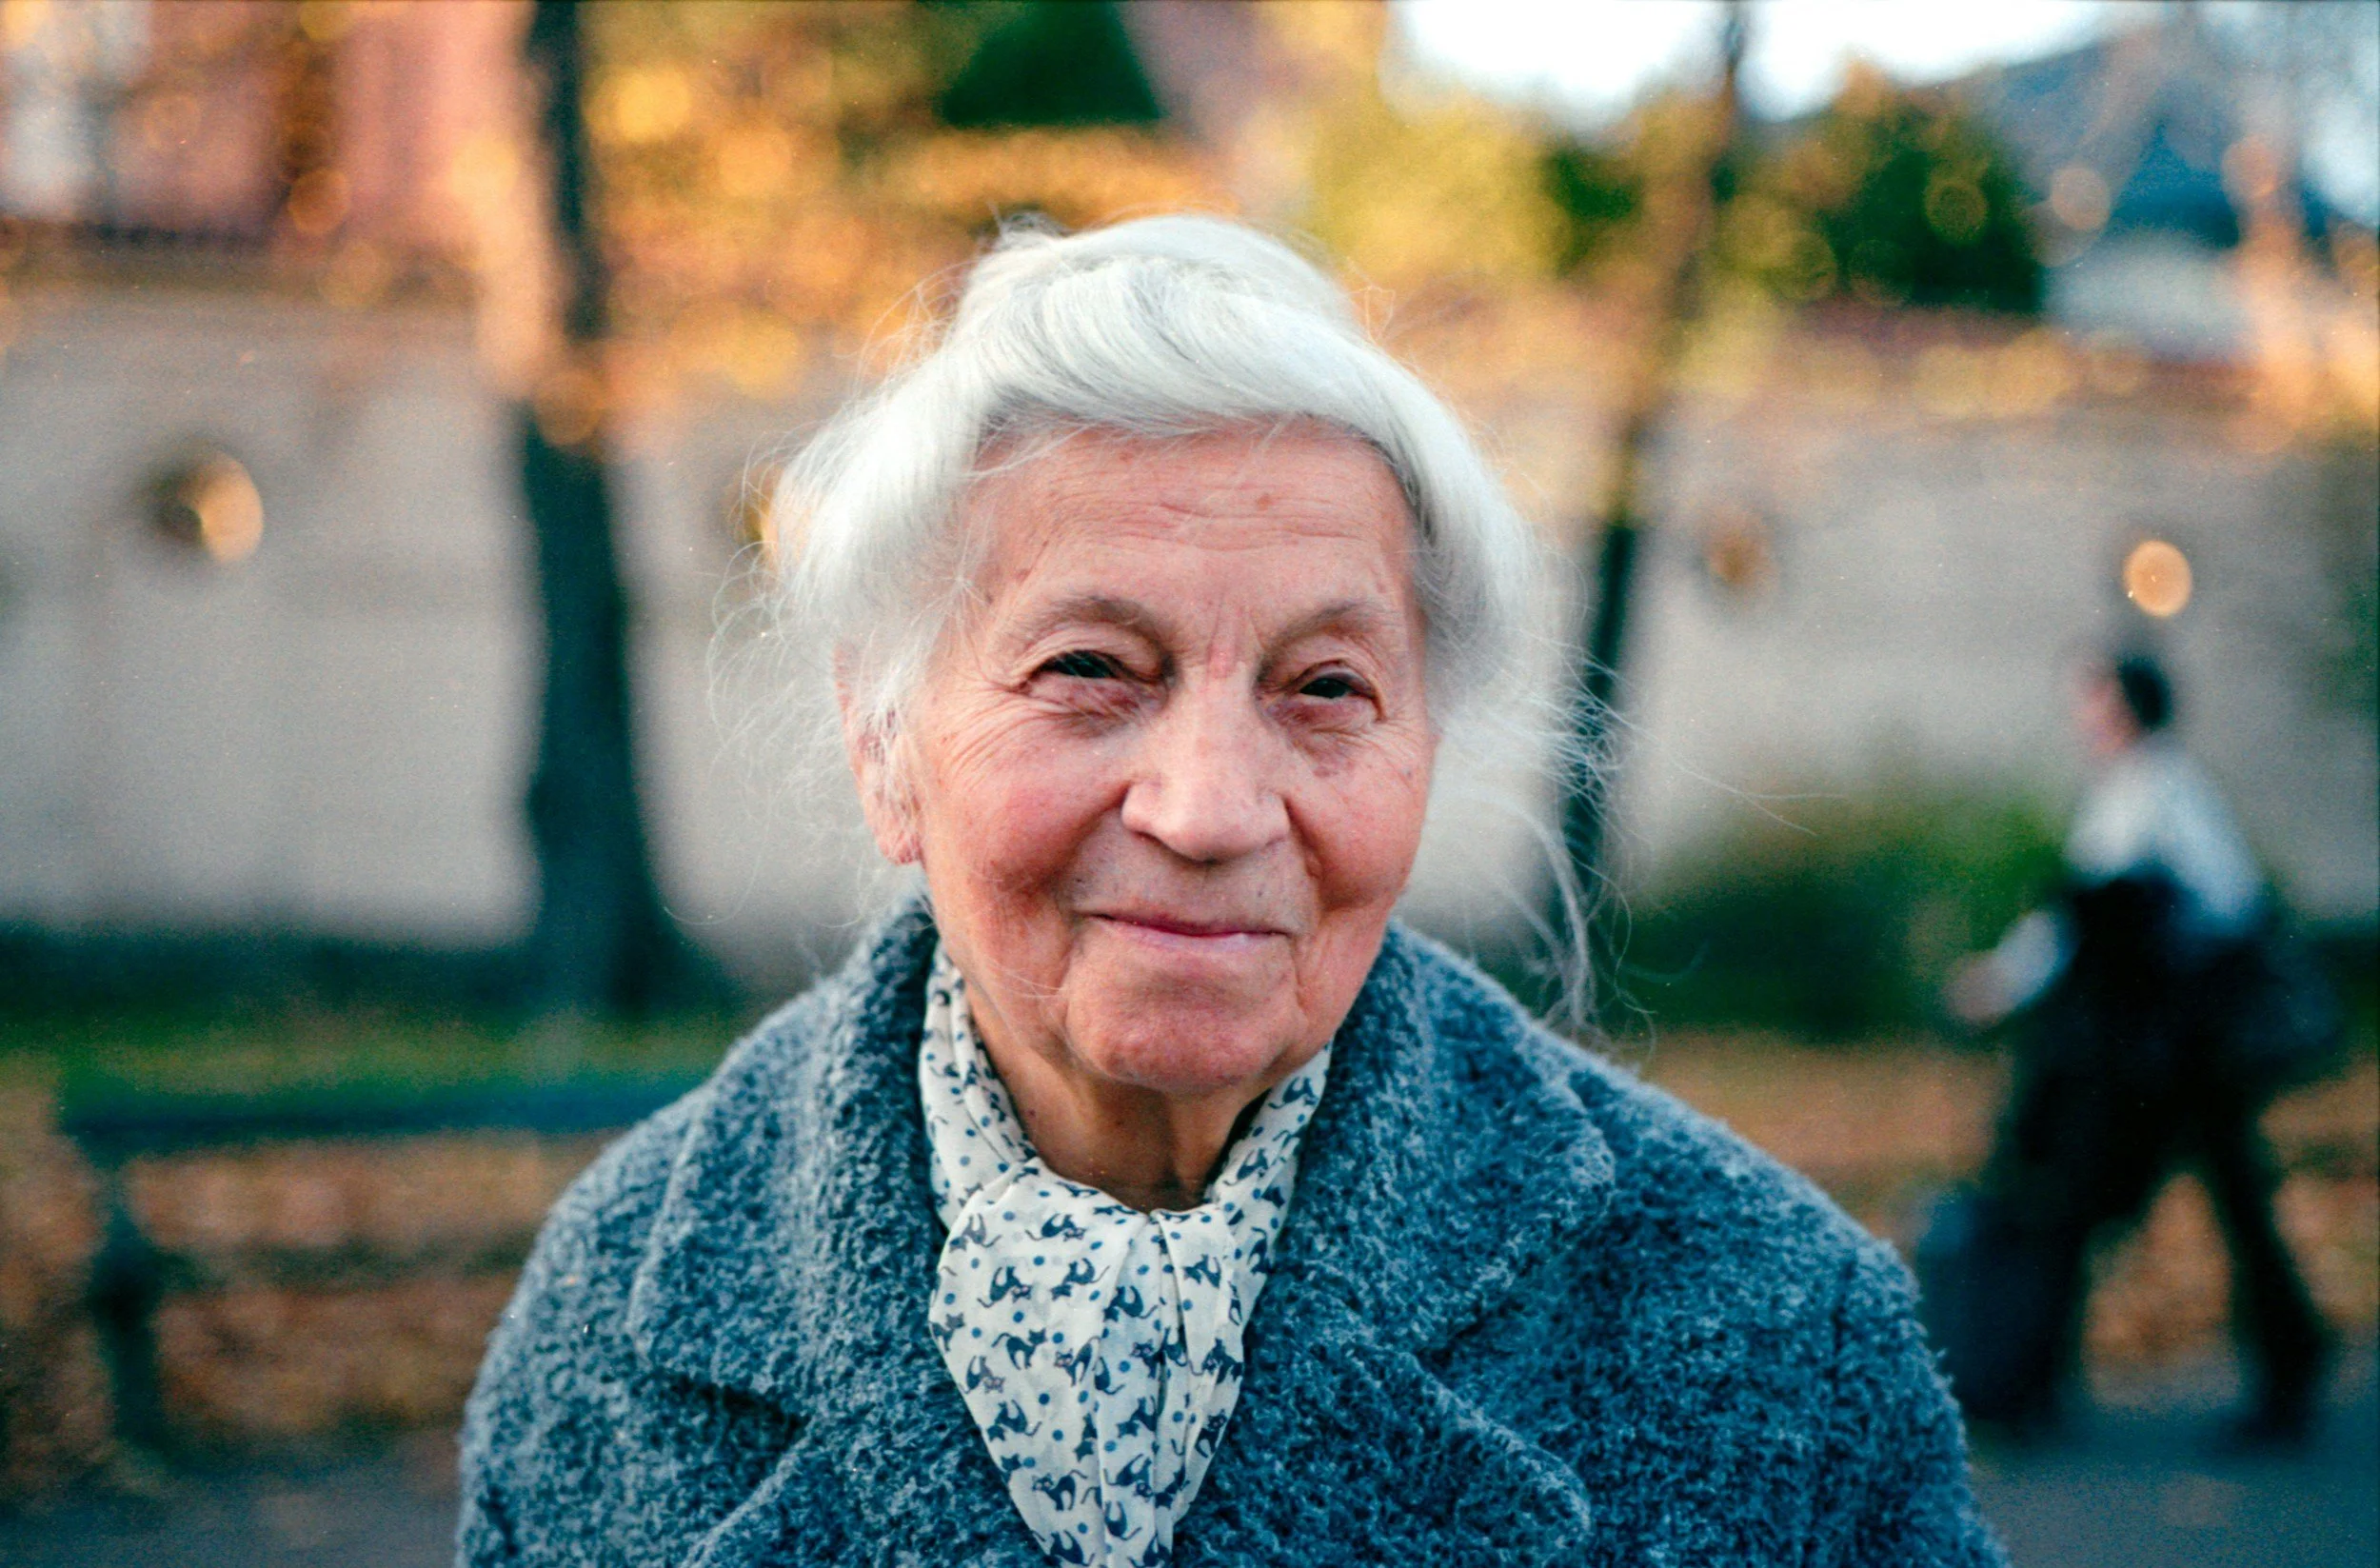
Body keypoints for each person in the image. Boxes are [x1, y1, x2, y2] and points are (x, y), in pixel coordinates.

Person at [458, 216, 2002, 1566]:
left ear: (1425, 747)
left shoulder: (1777, 1332)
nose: (1206, 810)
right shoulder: (614, 1317)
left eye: (1325, 686)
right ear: (885, 740)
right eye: (1088, 672)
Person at [1945, 652, 2335, 1442]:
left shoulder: (2150, 795)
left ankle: (2027, 1385)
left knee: (2080, 1199)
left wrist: (1998, 984)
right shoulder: (2162, 790)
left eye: (2093, 700)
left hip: (2160, 1054)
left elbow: (2095, 922)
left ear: (2125, 708)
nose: (2082, 716)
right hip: (2178, 1050)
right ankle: (2287, 1361)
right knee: (2220, 1199)